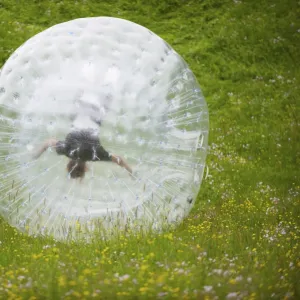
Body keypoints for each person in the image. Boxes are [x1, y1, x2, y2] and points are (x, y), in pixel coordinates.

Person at [32, 128, 132, 181]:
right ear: (68, 164)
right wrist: (37, 154)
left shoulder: (95, 155)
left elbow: (119, 159)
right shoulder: (67, 150)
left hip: (93, 122)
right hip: (78, 120)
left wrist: (130, 172)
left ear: (85, 168)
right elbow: (49, 142)